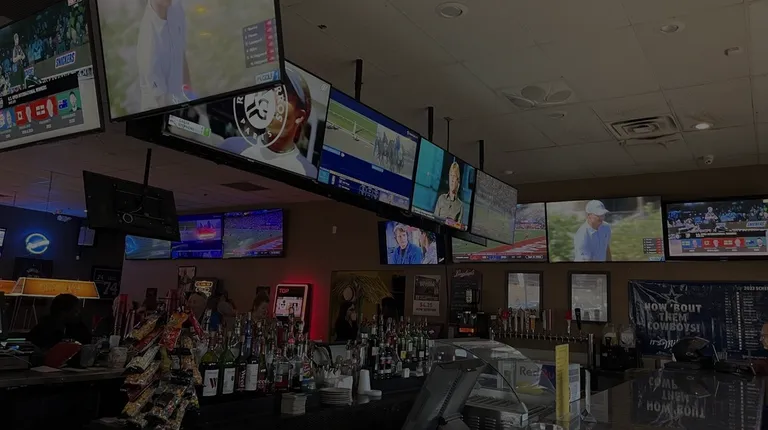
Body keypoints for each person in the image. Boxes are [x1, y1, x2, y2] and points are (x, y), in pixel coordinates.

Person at [220, 65, 318, 177]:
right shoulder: (232, 147)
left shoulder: (308, 173)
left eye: (282, 94)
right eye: (270, 90)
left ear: (299, 116)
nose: (272, 99)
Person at [137, 0, 190, 111]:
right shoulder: (148, 42)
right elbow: (162, 102)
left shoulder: (176, 8)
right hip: (159, 113)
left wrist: (192, 100)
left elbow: (182, 57)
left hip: (182, 105)